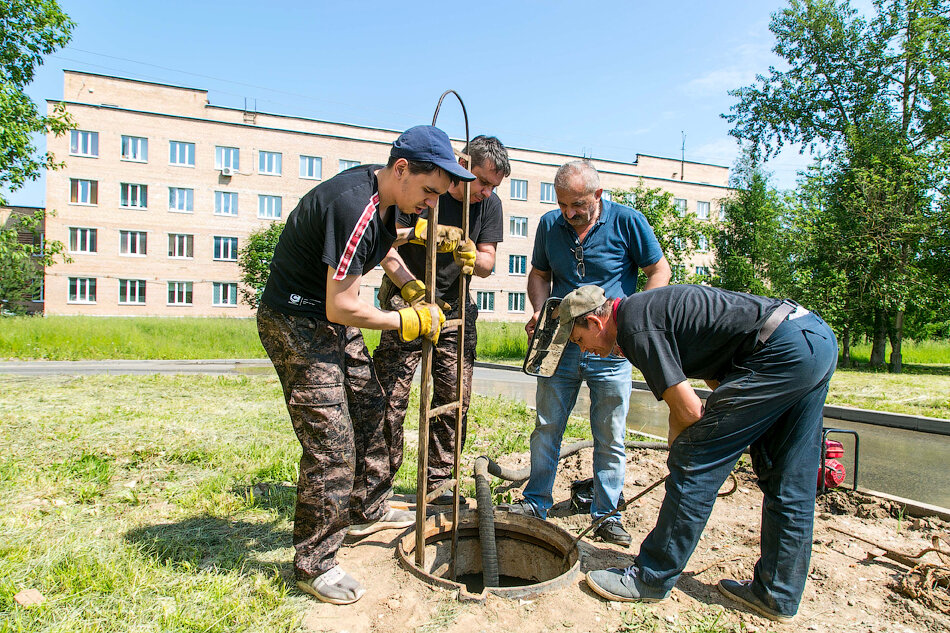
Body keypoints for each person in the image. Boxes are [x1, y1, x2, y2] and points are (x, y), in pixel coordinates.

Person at [256, 125, 475, 606]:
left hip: (329, 316)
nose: (432, 204)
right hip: (297, 320)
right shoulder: (354, 204)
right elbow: (341, 307)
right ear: (401, 169)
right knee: (332, 445)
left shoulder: (387, 204)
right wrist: (406, 319)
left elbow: (383, 249)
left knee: (374, 411)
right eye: (429, 191)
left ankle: (366, 507)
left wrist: (411, 283)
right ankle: (315, 563)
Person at [558, 284, 836, 623]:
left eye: (579, 341)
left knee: (694, 459)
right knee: (789, 477)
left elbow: (689, 412)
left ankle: (650, 578)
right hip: (813, 340)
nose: (586, 352)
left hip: (782, 351)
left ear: (595, 323)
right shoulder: (647, 311)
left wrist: (686, 458)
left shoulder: (635, 326)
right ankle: (777, 594)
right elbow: (718, 381)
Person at [505, 160, 671, 547]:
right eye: (563, 204)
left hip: (611, 347)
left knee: (610, 434)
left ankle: (607, 513)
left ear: (598, 195)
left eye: (578, 204)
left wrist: (636, 319)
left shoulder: (629, 222)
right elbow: (540, 274)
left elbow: (658, 271)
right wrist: (538, 308)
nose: (569, 213)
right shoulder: (550, 225)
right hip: (560, 345)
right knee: (547, 427)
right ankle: (535, 503)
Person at [373, 135, 510, 503]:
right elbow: (384, 247)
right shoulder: (423, 186)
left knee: (454, 400)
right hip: (407, 305)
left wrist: (471, 257)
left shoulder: (488, 206)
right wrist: (413, 289)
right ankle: (375, 487)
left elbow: (487, 261)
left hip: (454, 310)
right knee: (390, 396)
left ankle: (437, 487)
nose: (486, 192)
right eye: (482, 182)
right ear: (463, 167)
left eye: (494, 186)